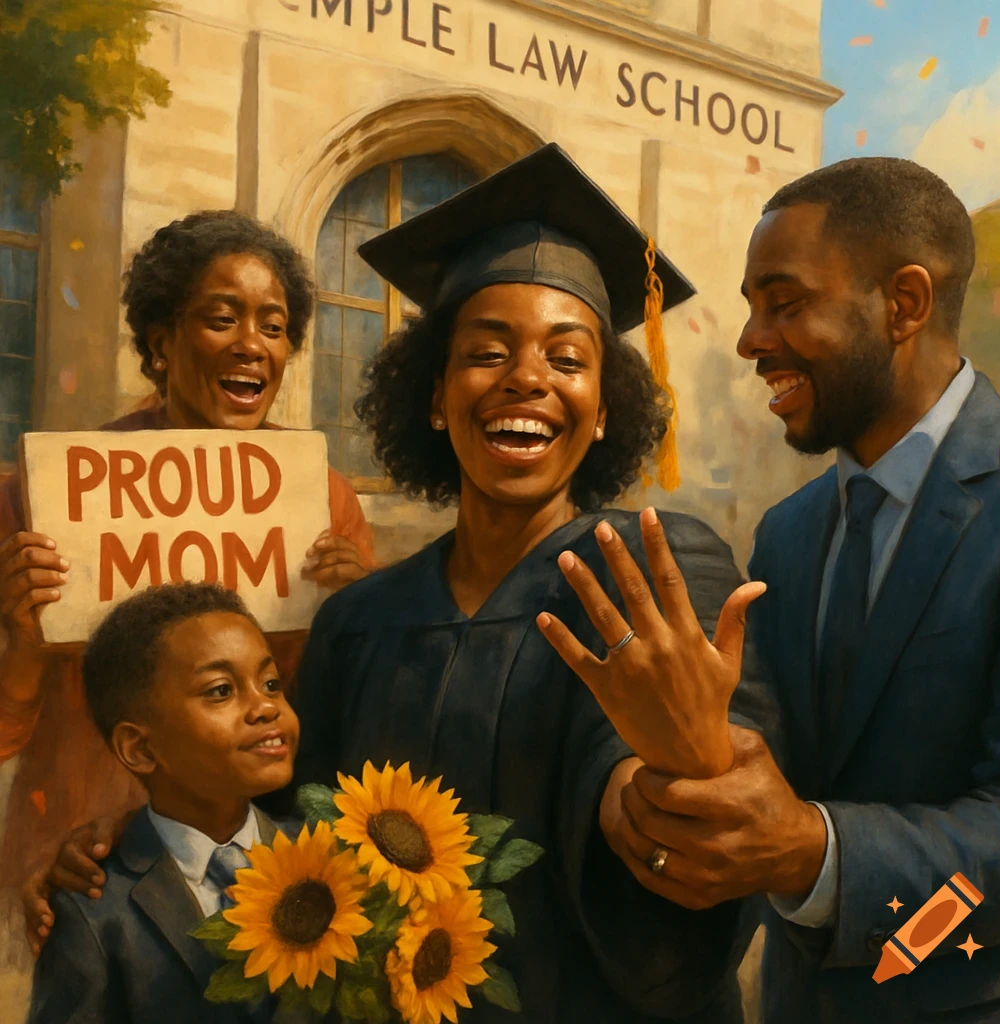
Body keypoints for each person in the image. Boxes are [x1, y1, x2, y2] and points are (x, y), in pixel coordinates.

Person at [35, 144, 777, 1022]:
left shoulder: (654, 568)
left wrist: (678, 771)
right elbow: (280, 823)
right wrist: (127, 843)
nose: (528, 378)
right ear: (434, 396)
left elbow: (676, 820)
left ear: (607, 406)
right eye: (488, 351)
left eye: (568, 359)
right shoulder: (360, 619)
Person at [586, 158, 1000, 1023]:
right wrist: (658, 768)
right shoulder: (786, 536)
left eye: (784, 304)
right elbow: (762, 771)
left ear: (904, 303)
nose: (750, 339)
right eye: (751, 307)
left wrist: (811, 854)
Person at [1, 210, 373, 962]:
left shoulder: (323, 505)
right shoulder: (49, 496)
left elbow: (327, 728)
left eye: (273, 326)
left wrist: (361, 614)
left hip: (253, 882)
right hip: (78, 877)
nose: (251, 345)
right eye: (221, 318)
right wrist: (25, 646)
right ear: (161, 342)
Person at [29, 581, 299, 1023]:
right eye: (220, 691)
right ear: (140, 749)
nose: (265, 707)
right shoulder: (93, 908)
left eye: (271, 683)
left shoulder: (330, 858)